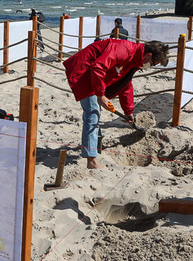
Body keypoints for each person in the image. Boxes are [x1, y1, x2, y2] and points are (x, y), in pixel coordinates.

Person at [64, 39, 169, 169]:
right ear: (148, 56)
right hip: (83, 72)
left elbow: (125, 84)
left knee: (95, 112)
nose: (150, 66)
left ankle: (97, 146)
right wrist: (101, 94)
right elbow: (98, 67)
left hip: (95, 76)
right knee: (92, 113)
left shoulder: (134, 59)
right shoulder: (125, 50)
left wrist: (128, 111)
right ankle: (91, 160)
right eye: (153, 64)